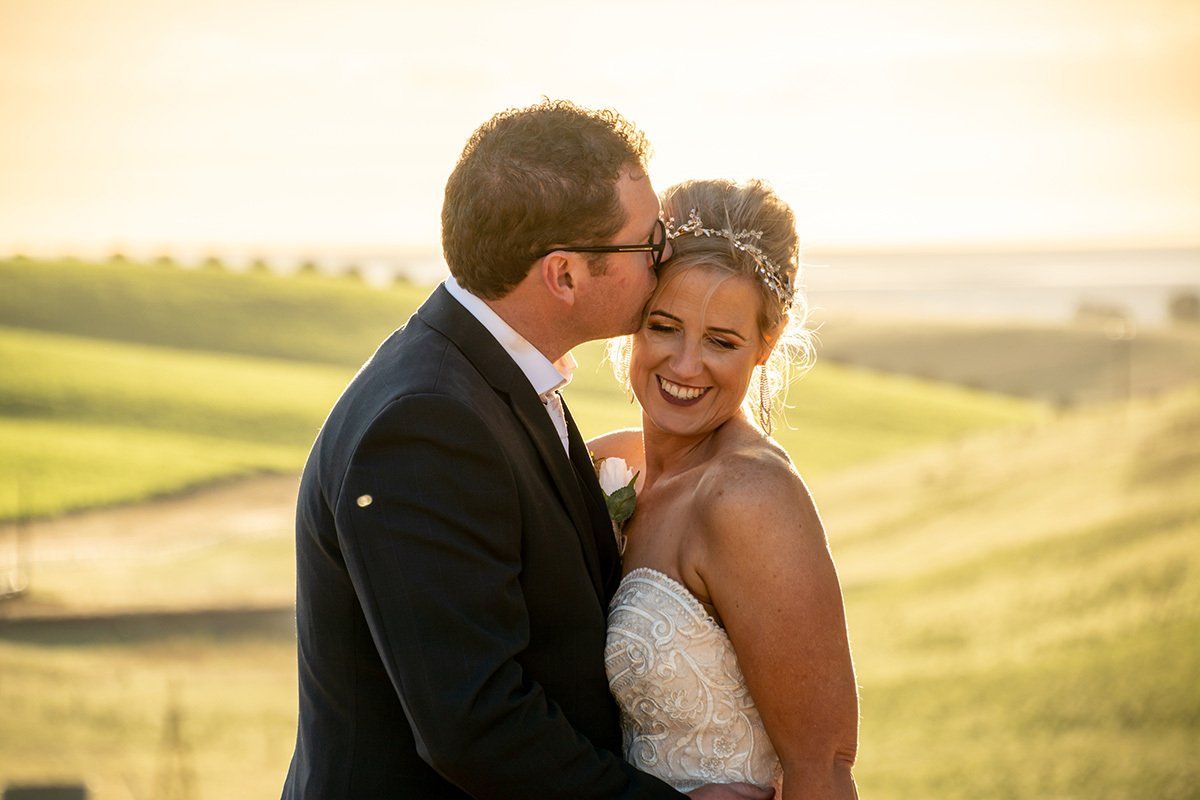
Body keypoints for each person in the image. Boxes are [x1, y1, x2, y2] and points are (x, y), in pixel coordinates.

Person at [281, 102, 774, 799]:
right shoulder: (426, 426)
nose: (665, 255)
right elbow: (475, 723)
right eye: (648, 242)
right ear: (564, 275)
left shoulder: (488, 377)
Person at [592, 179, 861, 798]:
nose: (686, 365)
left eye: (721, 341)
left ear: (766, 344)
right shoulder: (610, 465)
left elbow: (823, 766)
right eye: (664, 326)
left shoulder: (749, 498)